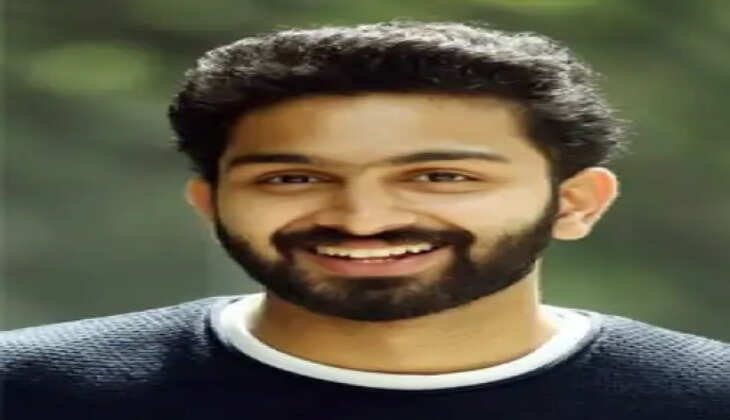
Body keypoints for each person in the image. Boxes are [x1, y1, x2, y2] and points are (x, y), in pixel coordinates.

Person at [1, 20, 728, 419]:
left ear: (575, 203)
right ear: (211, 203)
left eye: (440, 176)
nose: (362, 218)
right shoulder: (30, 391)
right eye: (293, 178)